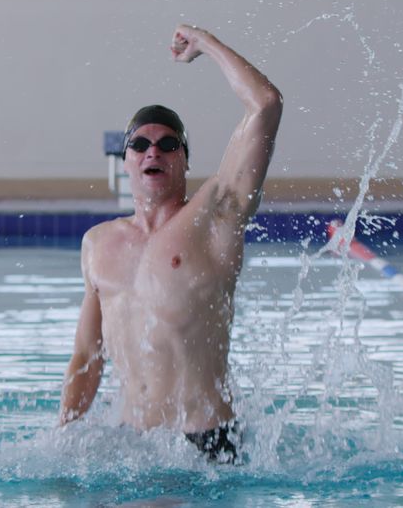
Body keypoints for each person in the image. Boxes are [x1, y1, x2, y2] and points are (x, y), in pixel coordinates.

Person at [59, 24, 283, 464]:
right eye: (139, 144)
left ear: (184, 158)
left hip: (203, 446)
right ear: (125, 161)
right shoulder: (97, 243)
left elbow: (266, 105)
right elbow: (87, 356)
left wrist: (207, 44)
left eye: (167, 144)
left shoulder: (216, 216)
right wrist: (63, 439)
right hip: (129, 446)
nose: (152, 152)